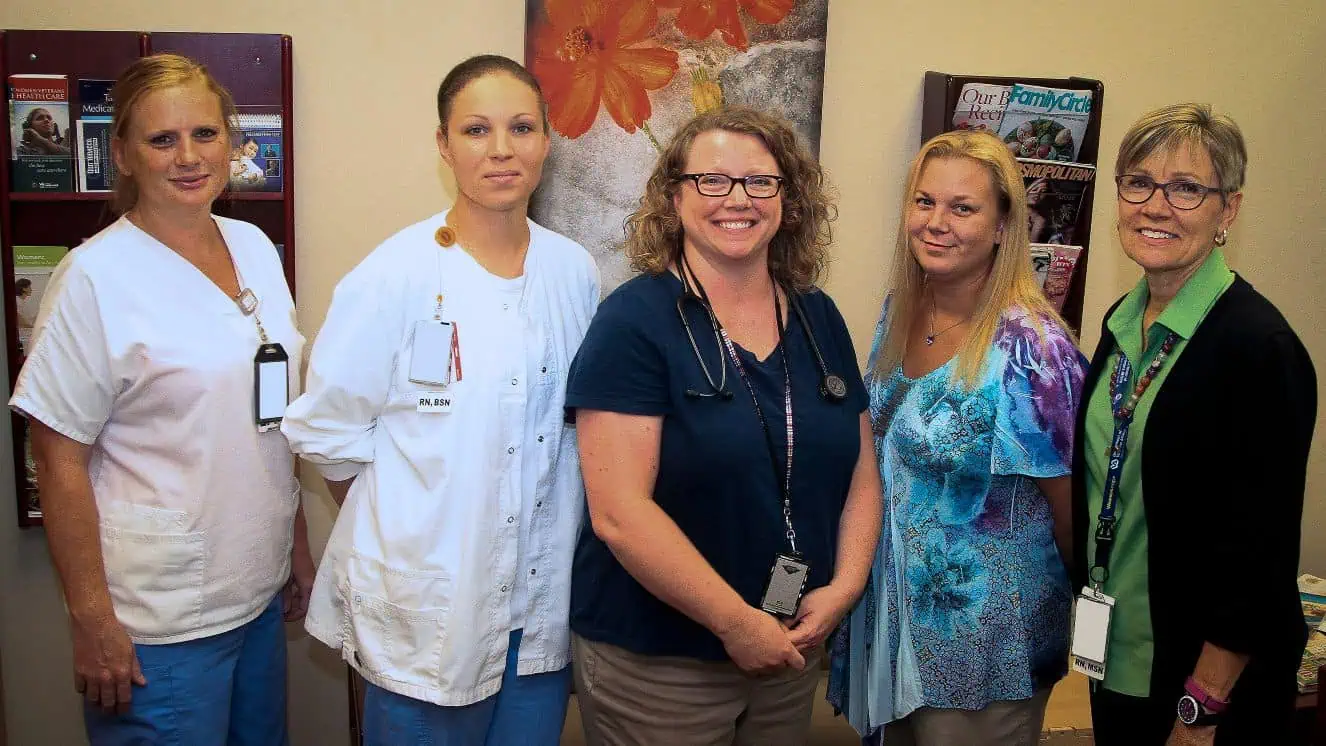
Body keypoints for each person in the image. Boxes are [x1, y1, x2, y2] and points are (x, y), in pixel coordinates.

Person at [281, 54, 598, 746]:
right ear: (443, 145)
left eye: (521, 127)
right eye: (477, 130)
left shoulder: (574, 271)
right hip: (429, 618)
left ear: (547, 139)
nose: (502, 149)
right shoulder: (394, 274)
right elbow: (328, 433)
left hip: (539, 613)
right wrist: (412, 535)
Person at [8, 53, 309, 744]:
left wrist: (293, 544)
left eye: (205, 134)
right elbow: (56, 461)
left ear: (234, 143)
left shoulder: (254, 245)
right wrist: (90, 620)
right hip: (159, 620)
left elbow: (269, 419)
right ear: (122, 154)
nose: (189, 157)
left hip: (255, 592)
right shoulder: (94, 277)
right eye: (161, 139)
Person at [565, 106, 882, 745]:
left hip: (789, 646)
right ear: (673, 196)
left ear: (787, 200)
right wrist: (735, 623)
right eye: (711, 180)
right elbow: (620, 514)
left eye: (759, 182)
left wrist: (843, 588)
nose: (736, 199)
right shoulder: (633, 324)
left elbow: (861, 479)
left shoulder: (820, 319)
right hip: (662, 662)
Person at [1070, 104, 1316, 746]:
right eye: (1139, 183)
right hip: (1120, 657)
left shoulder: (1257, 347)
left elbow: (1258, 551)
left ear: (1227, 210)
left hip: (1204, 689)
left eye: (1186, 189)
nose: (1156, 205)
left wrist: (1202, 706)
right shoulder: (1124, 323)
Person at [828, 129, 1084, 746]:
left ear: (1003, 226)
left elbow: (1069, 510)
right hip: (892, 619)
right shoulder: (900, 310)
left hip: (982, 645)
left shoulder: (1032, 350)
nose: (936, 222)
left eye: (963, 208)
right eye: (924, 202)